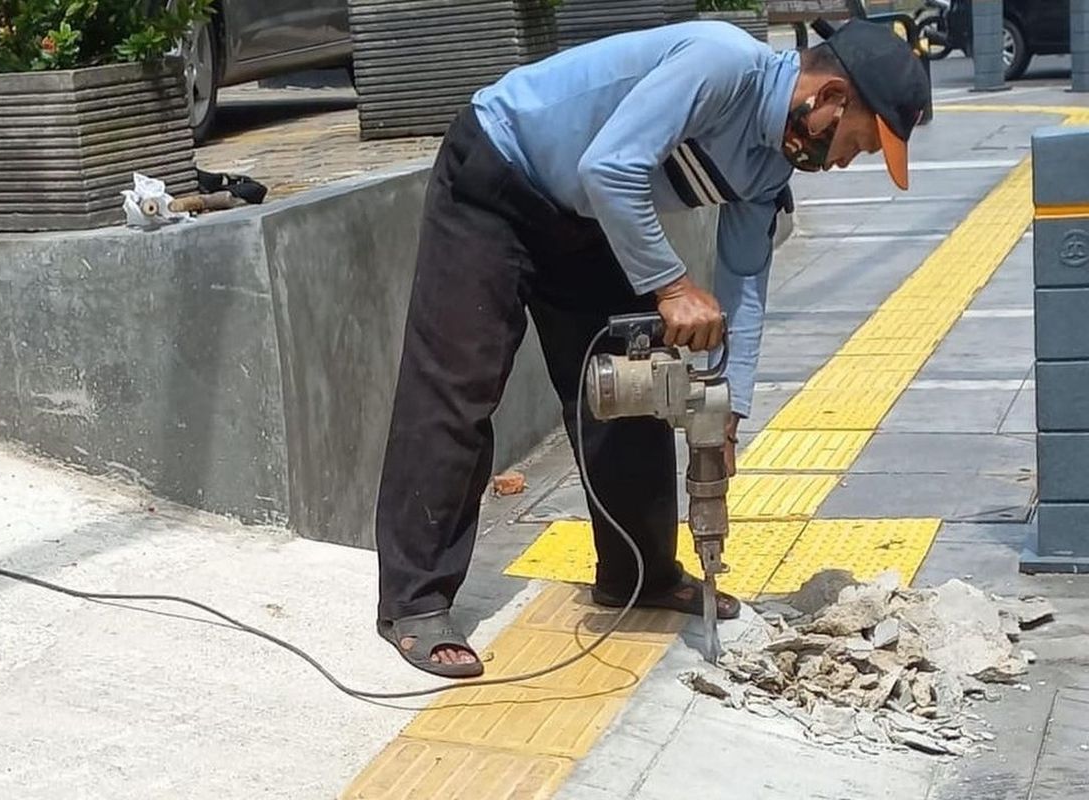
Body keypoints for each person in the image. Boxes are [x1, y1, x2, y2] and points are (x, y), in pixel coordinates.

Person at [373, 19, 931, 677]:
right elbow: (609, 168)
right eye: (860, 143)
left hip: (581, 218)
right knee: (458, 386)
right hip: (497, 174)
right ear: (832, 96)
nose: (845, 160)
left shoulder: (769, 159)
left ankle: (639, 572)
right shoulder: (722, 64)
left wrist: (730, 412)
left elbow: (744, 281)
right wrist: (671, 286)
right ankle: (414, 603)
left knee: (634, 384)